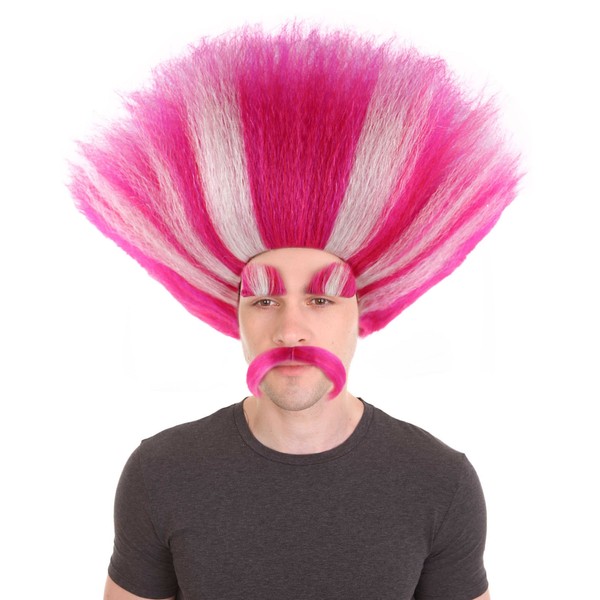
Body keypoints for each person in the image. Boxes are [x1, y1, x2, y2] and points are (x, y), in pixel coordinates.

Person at [71, 24, 519, 600]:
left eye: (322, 298)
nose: (290, 328)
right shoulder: (160, 474)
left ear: (364, 311)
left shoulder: (439, 482)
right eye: (264, 299)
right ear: (232, 313)